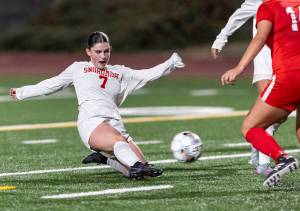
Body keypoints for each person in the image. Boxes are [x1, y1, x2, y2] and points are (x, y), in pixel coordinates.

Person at [9, 31, 185, 179]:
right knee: (129, 156)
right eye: (98, 51)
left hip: (115, 124)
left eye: (106, 51)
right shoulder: (78, 69)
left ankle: (105, 159)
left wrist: (170, 63)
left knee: (139, 173)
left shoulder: (119, 72)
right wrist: (21, 92)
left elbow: (147, 74)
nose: (103, 56)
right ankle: (132, 162)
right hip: (91, 122)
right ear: (88, 52)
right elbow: (50, 85)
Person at [221, 0, 300, 187]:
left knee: (249, 127)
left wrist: (239, 68)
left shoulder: (269, 6)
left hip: (290, 75)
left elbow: (260, 38)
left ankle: (282, 159)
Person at [211, 0, 274, 176]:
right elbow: (241, 14)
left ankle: (259, 143)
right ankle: (264, 164)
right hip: (265, 61)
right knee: (268, 111)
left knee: (275, 116)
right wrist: (221, 38)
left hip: (289, 60)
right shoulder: (261, 1)